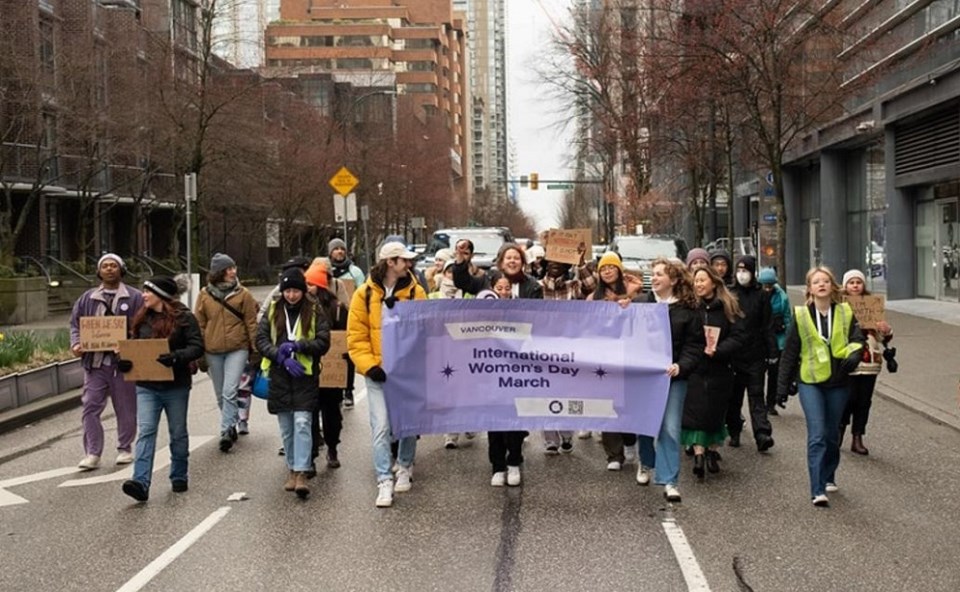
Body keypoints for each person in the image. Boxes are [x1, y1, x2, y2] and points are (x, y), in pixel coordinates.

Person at [453, 241, 542, 486]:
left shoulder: (532, 287)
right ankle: (497, 465)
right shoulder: (485, 282)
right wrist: (461, 261)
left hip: (519, 362)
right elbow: (462, 282)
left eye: (516, 258)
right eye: (508, 258)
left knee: (514, 414)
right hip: (491, 364)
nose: (512, 261)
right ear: (500, 262)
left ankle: (514, 461)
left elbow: (541, 319)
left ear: (522, 262)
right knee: (493, 415)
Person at [348, 241, 426, 507]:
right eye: (404, 260)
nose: (409, 264)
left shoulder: (417, 293)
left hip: (407, 374)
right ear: (390, 263)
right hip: (377, 374)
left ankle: (404, 466)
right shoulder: (363, 295)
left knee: (407, 425)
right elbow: (356, 337)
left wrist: (412, 363)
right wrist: (370, 366)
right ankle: (384, 479)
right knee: (381, 427)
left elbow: (424, 333)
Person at [778, 267, 864, 507]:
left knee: (831, 433)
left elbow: (858, 339)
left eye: (826, 281)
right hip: (810, 382)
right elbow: (790, 352)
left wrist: (855, 355)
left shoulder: (846, 312)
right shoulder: (802, 315)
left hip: (838, 381)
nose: (822, 285)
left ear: (833, 286)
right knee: (817, 434)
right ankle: (817, 489)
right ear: (810, 288)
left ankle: (829, 475)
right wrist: (781, 387)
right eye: (817, 282)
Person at [119, 276, 204, 502]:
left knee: (177, 432)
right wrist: (125, 362)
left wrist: (176, 357)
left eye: (148, 292)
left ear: (161, 295)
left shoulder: (185, 318)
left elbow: (197, 347)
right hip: (147, 385)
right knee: (146, 431)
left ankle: (178, 475)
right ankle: (140, 482)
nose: (143, 295)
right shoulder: (141, 319)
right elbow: (133, 347)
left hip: (176, 385)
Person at [256, 267, 331, 499]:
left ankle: (302, 471)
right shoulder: (273, 310)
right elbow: (260, 339)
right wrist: (278, 355)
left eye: (295, 291)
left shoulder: (314, 309)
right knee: (287, 428)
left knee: (302, 422)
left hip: (304, 376)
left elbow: (323, 341)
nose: (291, 295)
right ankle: (291, 467)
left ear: (302, 291)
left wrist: (300, 346)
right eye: (287, 291)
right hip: (280, 376)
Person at [637, 259, 704, 503]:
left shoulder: (688, 310)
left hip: (673, 377)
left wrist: (681, 366)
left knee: (670, 427)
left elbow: (695, 345)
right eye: (652, 274)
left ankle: (670, 480)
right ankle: (646, 461)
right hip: (644, 377)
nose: (653, 278)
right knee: (645, 423)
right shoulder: (641, 304)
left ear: (674, 280)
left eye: (659, 275)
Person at [69, 254, 144, 470]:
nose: (109, 269)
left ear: (122, 270)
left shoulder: (134, 297)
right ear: (99, 271)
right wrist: (76, 344)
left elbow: (142, 327)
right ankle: (92, 452)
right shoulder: (88, 298)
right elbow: (75, 325)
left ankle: (124, 448)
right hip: (95, 363)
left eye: (114, 266)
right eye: (105, 266)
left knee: (126, 407)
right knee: (90, 406)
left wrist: (129, 344)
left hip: (123, 364)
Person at [683, 266, 745, 482]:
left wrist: (719, 350)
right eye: (696, 280)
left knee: (715, 411)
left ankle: (711, 451)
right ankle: (699, 454)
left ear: (713, 282)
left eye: (703, 280)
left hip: (720, 368)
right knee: (696, 411)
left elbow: (738, 337)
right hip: (696, 368)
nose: (699, 284)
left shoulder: (728, 307)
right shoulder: (690, 307)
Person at [194, 253, 259, 452]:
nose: (233, 272)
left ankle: (226, 430)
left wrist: (255, 349)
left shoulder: (243, 294)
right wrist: (200, 352)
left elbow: (251, 323)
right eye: (228, 269)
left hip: (236, 348)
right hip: (212, 350)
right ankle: (230, 425)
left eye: (233, 268)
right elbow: (199, 324)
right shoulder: (204, 295)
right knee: (220, 394)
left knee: (230, 390)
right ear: (218, 273)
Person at [586, 252, 644, 471]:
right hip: (603, 356)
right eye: (603, 269)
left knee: (627, 401)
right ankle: (613, 454)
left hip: (628, 354)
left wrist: (632, 298)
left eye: (611, 267)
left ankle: (630, 440)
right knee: (606, 404)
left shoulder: (634, 294)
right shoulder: (593, 298)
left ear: (619, 270)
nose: (607, 271)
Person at [539, 255, 594, 454]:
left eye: (559, 262)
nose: (554, 265)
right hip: (542, 349)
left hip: (569, 348)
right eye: (550, 262)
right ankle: (550, 438)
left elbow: (591, 287)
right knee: (544, 391)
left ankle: (566, 433)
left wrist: (581, 264)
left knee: (566, 391)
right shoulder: (537, 287)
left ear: (565, 265)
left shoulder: (574, 286)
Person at [840, 269, 893, 455]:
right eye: (851, 282)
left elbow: (881, 337)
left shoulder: (871, 306)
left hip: (870, 361)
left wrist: (885, 330)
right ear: (845, 285)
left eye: (858, 282)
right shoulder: (838, 305)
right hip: (848, 359)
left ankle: (857, 436)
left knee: (864, 401)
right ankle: (839, 430)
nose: (855, 285)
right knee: (848, 398)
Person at [727, 256, 776, 451]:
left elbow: (767, 326)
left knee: (756, 395)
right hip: (734, 355)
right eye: (738, 269)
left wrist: (772, 351)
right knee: (734, 397)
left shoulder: (761, 296)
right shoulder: (730, 294)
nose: (742, 274)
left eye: (745, 269)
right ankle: (734, 430)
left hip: (755, 354)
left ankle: (762, 433)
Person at [305, 261, 347, 471]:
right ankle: (311, 454)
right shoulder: (301, 307)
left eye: (311, 284)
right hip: (309, 369)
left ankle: (332, 446)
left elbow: (345, 337)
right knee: (309, 412)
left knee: (331, 413)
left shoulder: (337, 308)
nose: (307, 288)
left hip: (331, 371)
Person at [758, 267, 793, 415]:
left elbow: (787, 317)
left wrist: (788, 339)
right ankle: (759, 403)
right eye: (764, 285)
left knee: (774, 373)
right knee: (758, 375)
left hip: (778, 339)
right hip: (760, 340)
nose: (767, 288)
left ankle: (770, 403)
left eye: (769, 285)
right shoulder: (756, 295)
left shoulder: (781, 297)